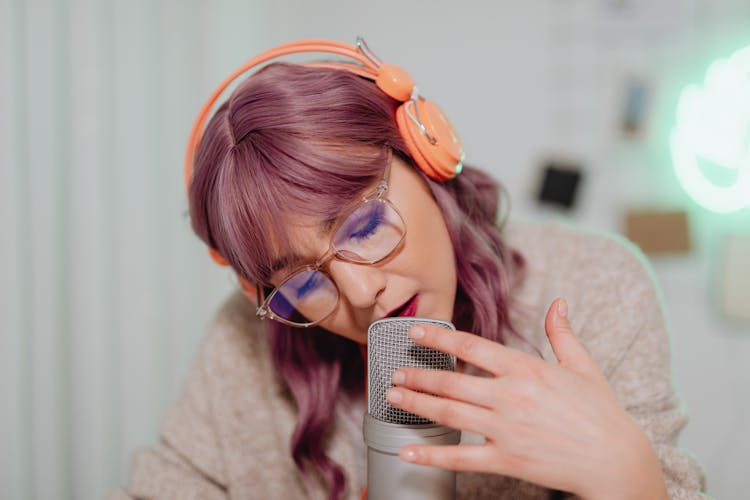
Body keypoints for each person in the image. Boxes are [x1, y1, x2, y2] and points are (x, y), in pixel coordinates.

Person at [110, 39, 707, 499]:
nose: (363, 292)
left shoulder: (594, 286)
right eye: (304, 281)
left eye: (365, 227)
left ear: (425, 157)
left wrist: (628, 476)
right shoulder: (248, 338)